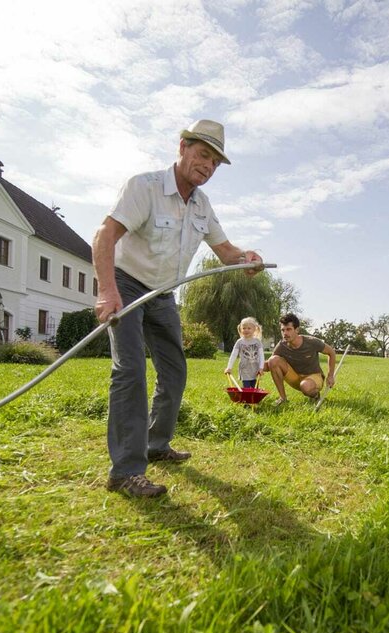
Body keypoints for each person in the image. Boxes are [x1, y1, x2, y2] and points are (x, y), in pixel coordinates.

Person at [93, 120, 263, 498]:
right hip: (126, 283)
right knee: (131, 370)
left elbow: (225, 251)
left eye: (215, 162)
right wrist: (107, 290)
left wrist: (246, 258)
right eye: (203, 155)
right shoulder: (145, 187)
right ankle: (125, 470)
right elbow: (105, 234)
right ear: (183, 147)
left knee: (174, 371)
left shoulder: (202, 205)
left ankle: (156, 444)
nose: (208, 166)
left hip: (164, 293)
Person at [265, 313, 336, 406]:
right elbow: (270, 364)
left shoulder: (311, 342)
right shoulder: (282, 345)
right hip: (295, 378)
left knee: (306, 386)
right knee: (273, 360)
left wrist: (330, 375)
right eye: (283, 330)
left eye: (289, 329)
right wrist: (257, 367)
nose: (285, 333)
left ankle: (315, 395)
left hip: (313, 377)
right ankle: (283, 398)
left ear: (297, 330)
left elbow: (331, 352)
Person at [225, 317, 265, 388]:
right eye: (244, 328)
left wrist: (261, 368)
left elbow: (261, 356)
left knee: (254, 388)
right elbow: (233, 355)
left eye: (249, 328)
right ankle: (246, 399)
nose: (246, 330)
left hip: (255, 369)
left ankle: (253, 399)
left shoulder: (257, 342)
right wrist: (229, 367)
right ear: (241, 329)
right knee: (246, 387)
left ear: (254, 329)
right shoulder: (239, 342)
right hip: (244, 369)